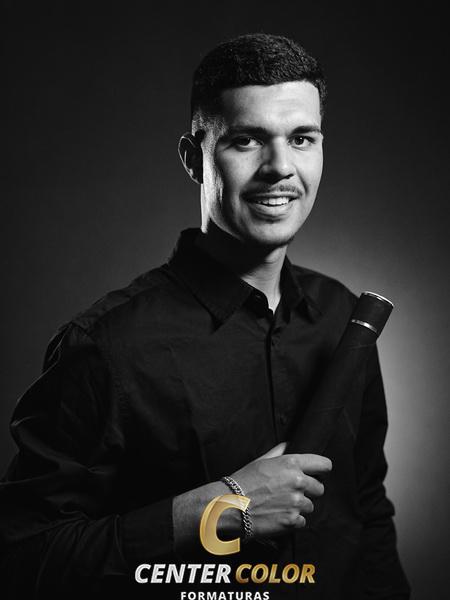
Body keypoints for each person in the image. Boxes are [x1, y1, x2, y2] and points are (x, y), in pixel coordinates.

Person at [0, 34, 410, 599]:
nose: (280, 168)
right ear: (194, 159)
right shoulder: (106, 344)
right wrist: (216, 508)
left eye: (301, 138)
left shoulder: (342, 315)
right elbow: (22, 558)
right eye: (246, 140)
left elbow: (366, 511)